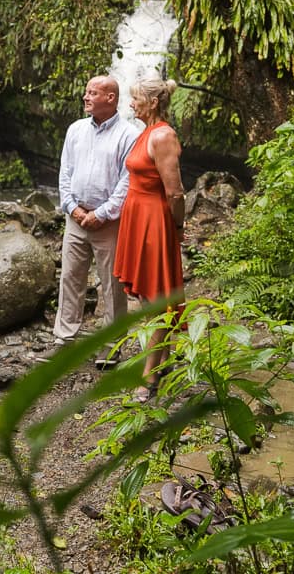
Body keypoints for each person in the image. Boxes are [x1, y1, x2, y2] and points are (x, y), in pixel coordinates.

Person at [48, 76, 137, 364]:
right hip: (75, 217)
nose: (85, 97)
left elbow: (127, 182)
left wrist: (102, 214)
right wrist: (72, 208)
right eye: (86, 91)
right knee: (70, 278)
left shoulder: (128, 134)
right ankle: (64, 339)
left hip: (108, 223)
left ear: (111, 98)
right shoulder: (75, 129)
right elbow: (65, 172)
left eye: (93, 93)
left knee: (112, 285)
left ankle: (112, 344)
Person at [112, 77, 186, 401]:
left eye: (136, 98)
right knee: (148, 298)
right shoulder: (147, 132)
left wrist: (177, 228)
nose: (131, 104)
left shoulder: (164, 135)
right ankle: (165, 361)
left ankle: (148, 378)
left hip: (154, 221)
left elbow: (176, 192)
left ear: (153, 102)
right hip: (138, 218)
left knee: (156, 302)